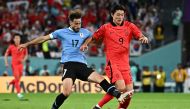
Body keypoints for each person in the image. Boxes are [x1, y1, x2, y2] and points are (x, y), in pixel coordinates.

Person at [18, 9, 130, 109]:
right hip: (69, 65)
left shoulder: (85, 32)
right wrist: (27, 44)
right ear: (70, 22)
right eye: (76, 23)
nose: (78, 26)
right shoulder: (61, 32)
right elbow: (44, 38)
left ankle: (119, 96)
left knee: (101, 79)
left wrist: (87, 43)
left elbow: (94, 39)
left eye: (80, 23)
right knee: (66, 93)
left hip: (82, 65)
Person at [81, 4, 149, 109]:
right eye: (117, 15)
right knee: (121, 88)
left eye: (122, 15)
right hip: (112, 64)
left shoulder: (129, 26)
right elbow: (93, 37)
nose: (120, 17)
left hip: (125, 64)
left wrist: (142, 37)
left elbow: (139, 34)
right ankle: (98, 107)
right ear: (112, 14)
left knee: (129, 92)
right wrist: (85, 44)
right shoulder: (106, 28)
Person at [4, 34, 28, 99]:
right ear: (14, 39)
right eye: (16, 38)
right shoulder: (11, 47)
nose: (17, 39)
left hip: (21, 65)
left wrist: (24, 60)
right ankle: (19, 93)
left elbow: (26, 55)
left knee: (18, 79)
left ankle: (9, 83)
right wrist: (6, 63)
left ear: (20, 39)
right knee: (17, 79)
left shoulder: (23, 46)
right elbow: (6, 54)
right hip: (14, 65)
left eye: (18, 38)